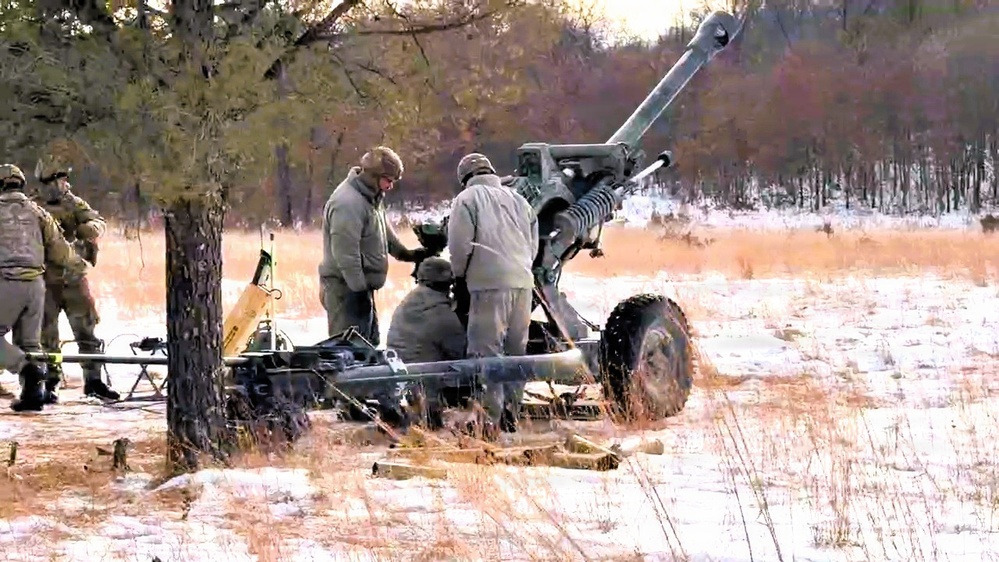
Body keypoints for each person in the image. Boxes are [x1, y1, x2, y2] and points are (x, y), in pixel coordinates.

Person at [447, 152, 539, 433]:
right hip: (524, 283)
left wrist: (459, 276)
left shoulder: (466, 200)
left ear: (465, 178)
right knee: (515, 352)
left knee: (486, 353)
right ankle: (512, 412)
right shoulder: (520, 201)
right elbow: (532, 245)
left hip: (488, 285)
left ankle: (489, 420)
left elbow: (460, 246)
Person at [318, 146, 431, 345]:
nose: (390, 186)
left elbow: (385, 236)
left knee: (368, 345)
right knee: (348, 350)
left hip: (360, 290)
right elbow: (345, 254)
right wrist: (359, 291)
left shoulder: (371, 199)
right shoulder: (347, 203)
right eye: (388, 180)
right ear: (373, 176)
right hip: (345, 292)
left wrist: (409, 255)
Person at [0, 164, 90, 412]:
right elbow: (59, 250)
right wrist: (79, 266)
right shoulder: (38, 212)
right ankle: (33, 396)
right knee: (30, 343)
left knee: (15, 347)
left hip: (6, 282)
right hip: (35, 286)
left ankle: (27, 370)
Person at [32, 161, 117, 401]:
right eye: (55, 180)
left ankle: (93, 381)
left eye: (62, 179)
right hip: (45, 281)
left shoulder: (74, 203)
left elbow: (98, 222)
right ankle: (51, 381)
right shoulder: (32, 207)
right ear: (45, 183)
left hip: (74, 279)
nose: (60, 184)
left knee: (86, 333)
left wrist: (88, 228)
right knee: (47, 337)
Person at [386, 258, 466, 427]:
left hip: (402, 384)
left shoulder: (409, 302)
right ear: (449, 283)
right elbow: (461, 352)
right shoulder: (441, 313)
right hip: (427, 392)